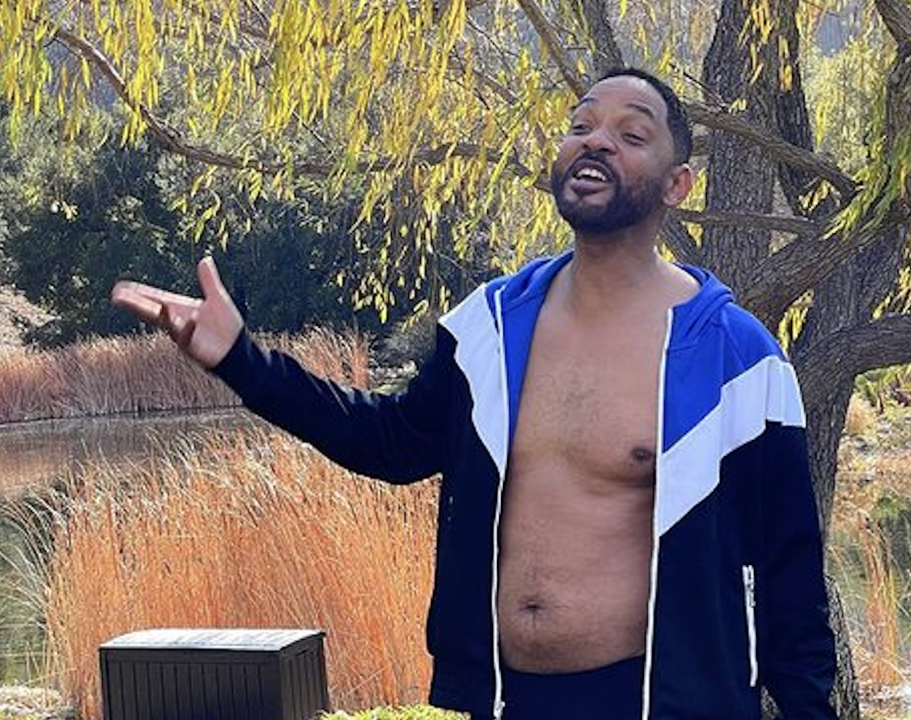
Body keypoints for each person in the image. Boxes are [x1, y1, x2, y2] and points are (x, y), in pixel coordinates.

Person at [112, 67, 837, 720]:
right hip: (504, 700)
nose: (595, 141)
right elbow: (389, 442)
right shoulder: (489, 328)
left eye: (631, 134)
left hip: (656, 703)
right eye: (581, 125)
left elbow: (790, 576)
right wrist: (240, 360)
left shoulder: (737, 360)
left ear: (677, 185)